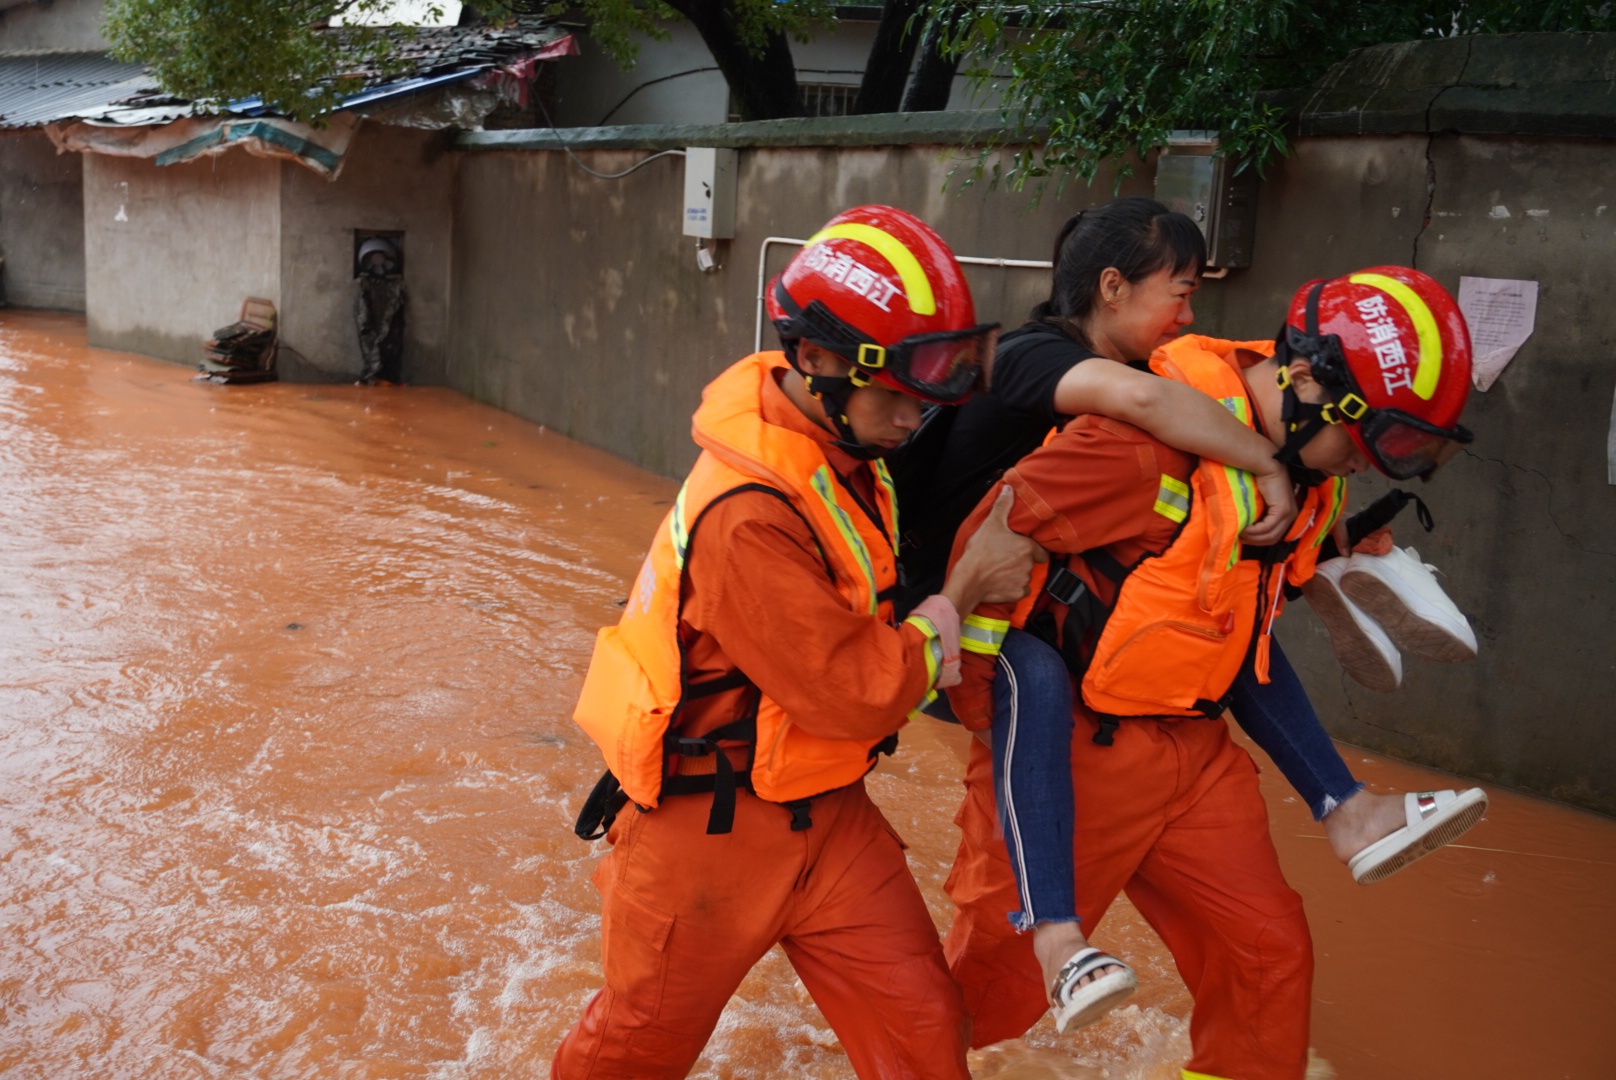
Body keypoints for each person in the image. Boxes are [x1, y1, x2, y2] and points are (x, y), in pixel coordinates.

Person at [890, 199, 1486, 1034]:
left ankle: (1348, 798)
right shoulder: (1098, 405)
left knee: (1268, 958)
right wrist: (949, 652)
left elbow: (1228, 574)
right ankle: (1038, 942)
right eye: (1366, 443)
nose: (1362, 463)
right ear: (1310, 386)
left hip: (1197, 750)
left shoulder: (1295, 460)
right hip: (1066, 746)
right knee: (983, 1007)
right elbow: (998, 546)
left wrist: (1328, 535)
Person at [552, 205, 1042, 1080]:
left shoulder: (843, 446)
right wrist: (965, 591)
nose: (913, 418)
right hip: (705, 836)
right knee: (632, 1054)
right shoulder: (746, 515)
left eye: (925, 395)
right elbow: (857, 691)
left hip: (828, 814)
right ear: (814, 360)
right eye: (895, 392)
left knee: (927, 1037)